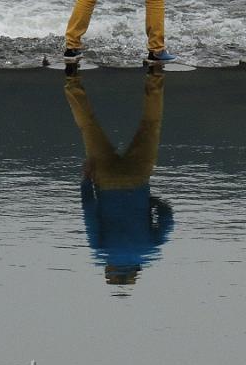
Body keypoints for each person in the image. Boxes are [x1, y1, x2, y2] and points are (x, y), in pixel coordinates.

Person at [64, 72, 174, 286]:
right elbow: (89, 212)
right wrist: (86, 181)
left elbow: (167, 217)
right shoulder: (101, 251)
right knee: (88, 125)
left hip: (137, 178)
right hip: (105, 180)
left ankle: (155, 71)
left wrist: (151, 202)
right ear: (111, 269)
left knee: (151, 123)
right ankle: (71, 76)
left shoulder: (149, 251)